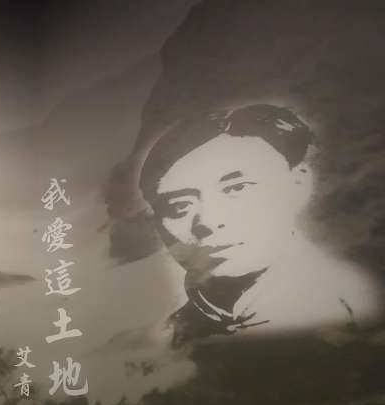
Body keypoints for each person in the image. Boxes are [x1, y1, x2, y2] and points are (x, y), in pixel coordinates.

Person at [138, 104, 379, 346]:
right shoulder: (165, 339)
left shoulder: (355, 307)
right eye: (179, 206)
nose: (208, 222)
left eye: (236, 188)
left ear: (298, 184)